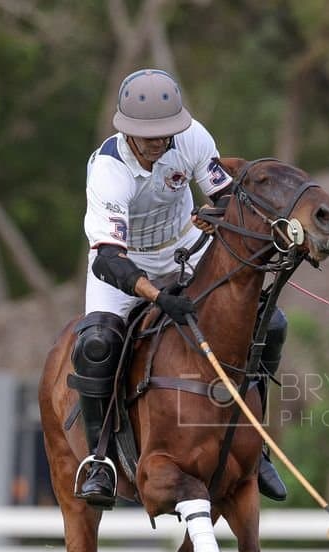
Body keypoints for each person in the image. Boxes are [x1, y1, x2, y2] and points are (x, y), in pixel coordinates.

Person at [70, 68, 288, 508]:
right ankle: (99, 461)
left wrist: (217, 212)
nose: (159, 142)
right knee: (95, 346)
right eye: (148, 135)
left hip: (186, 248)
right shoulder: (108, 171)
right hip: (125, 262)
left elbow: (225, 196)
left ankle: (256, 445)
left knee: (272, 324)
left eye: (166, 132)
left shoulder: (191, 139)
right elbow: (109, 259)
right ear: (126, 131)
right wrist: (156, 295)